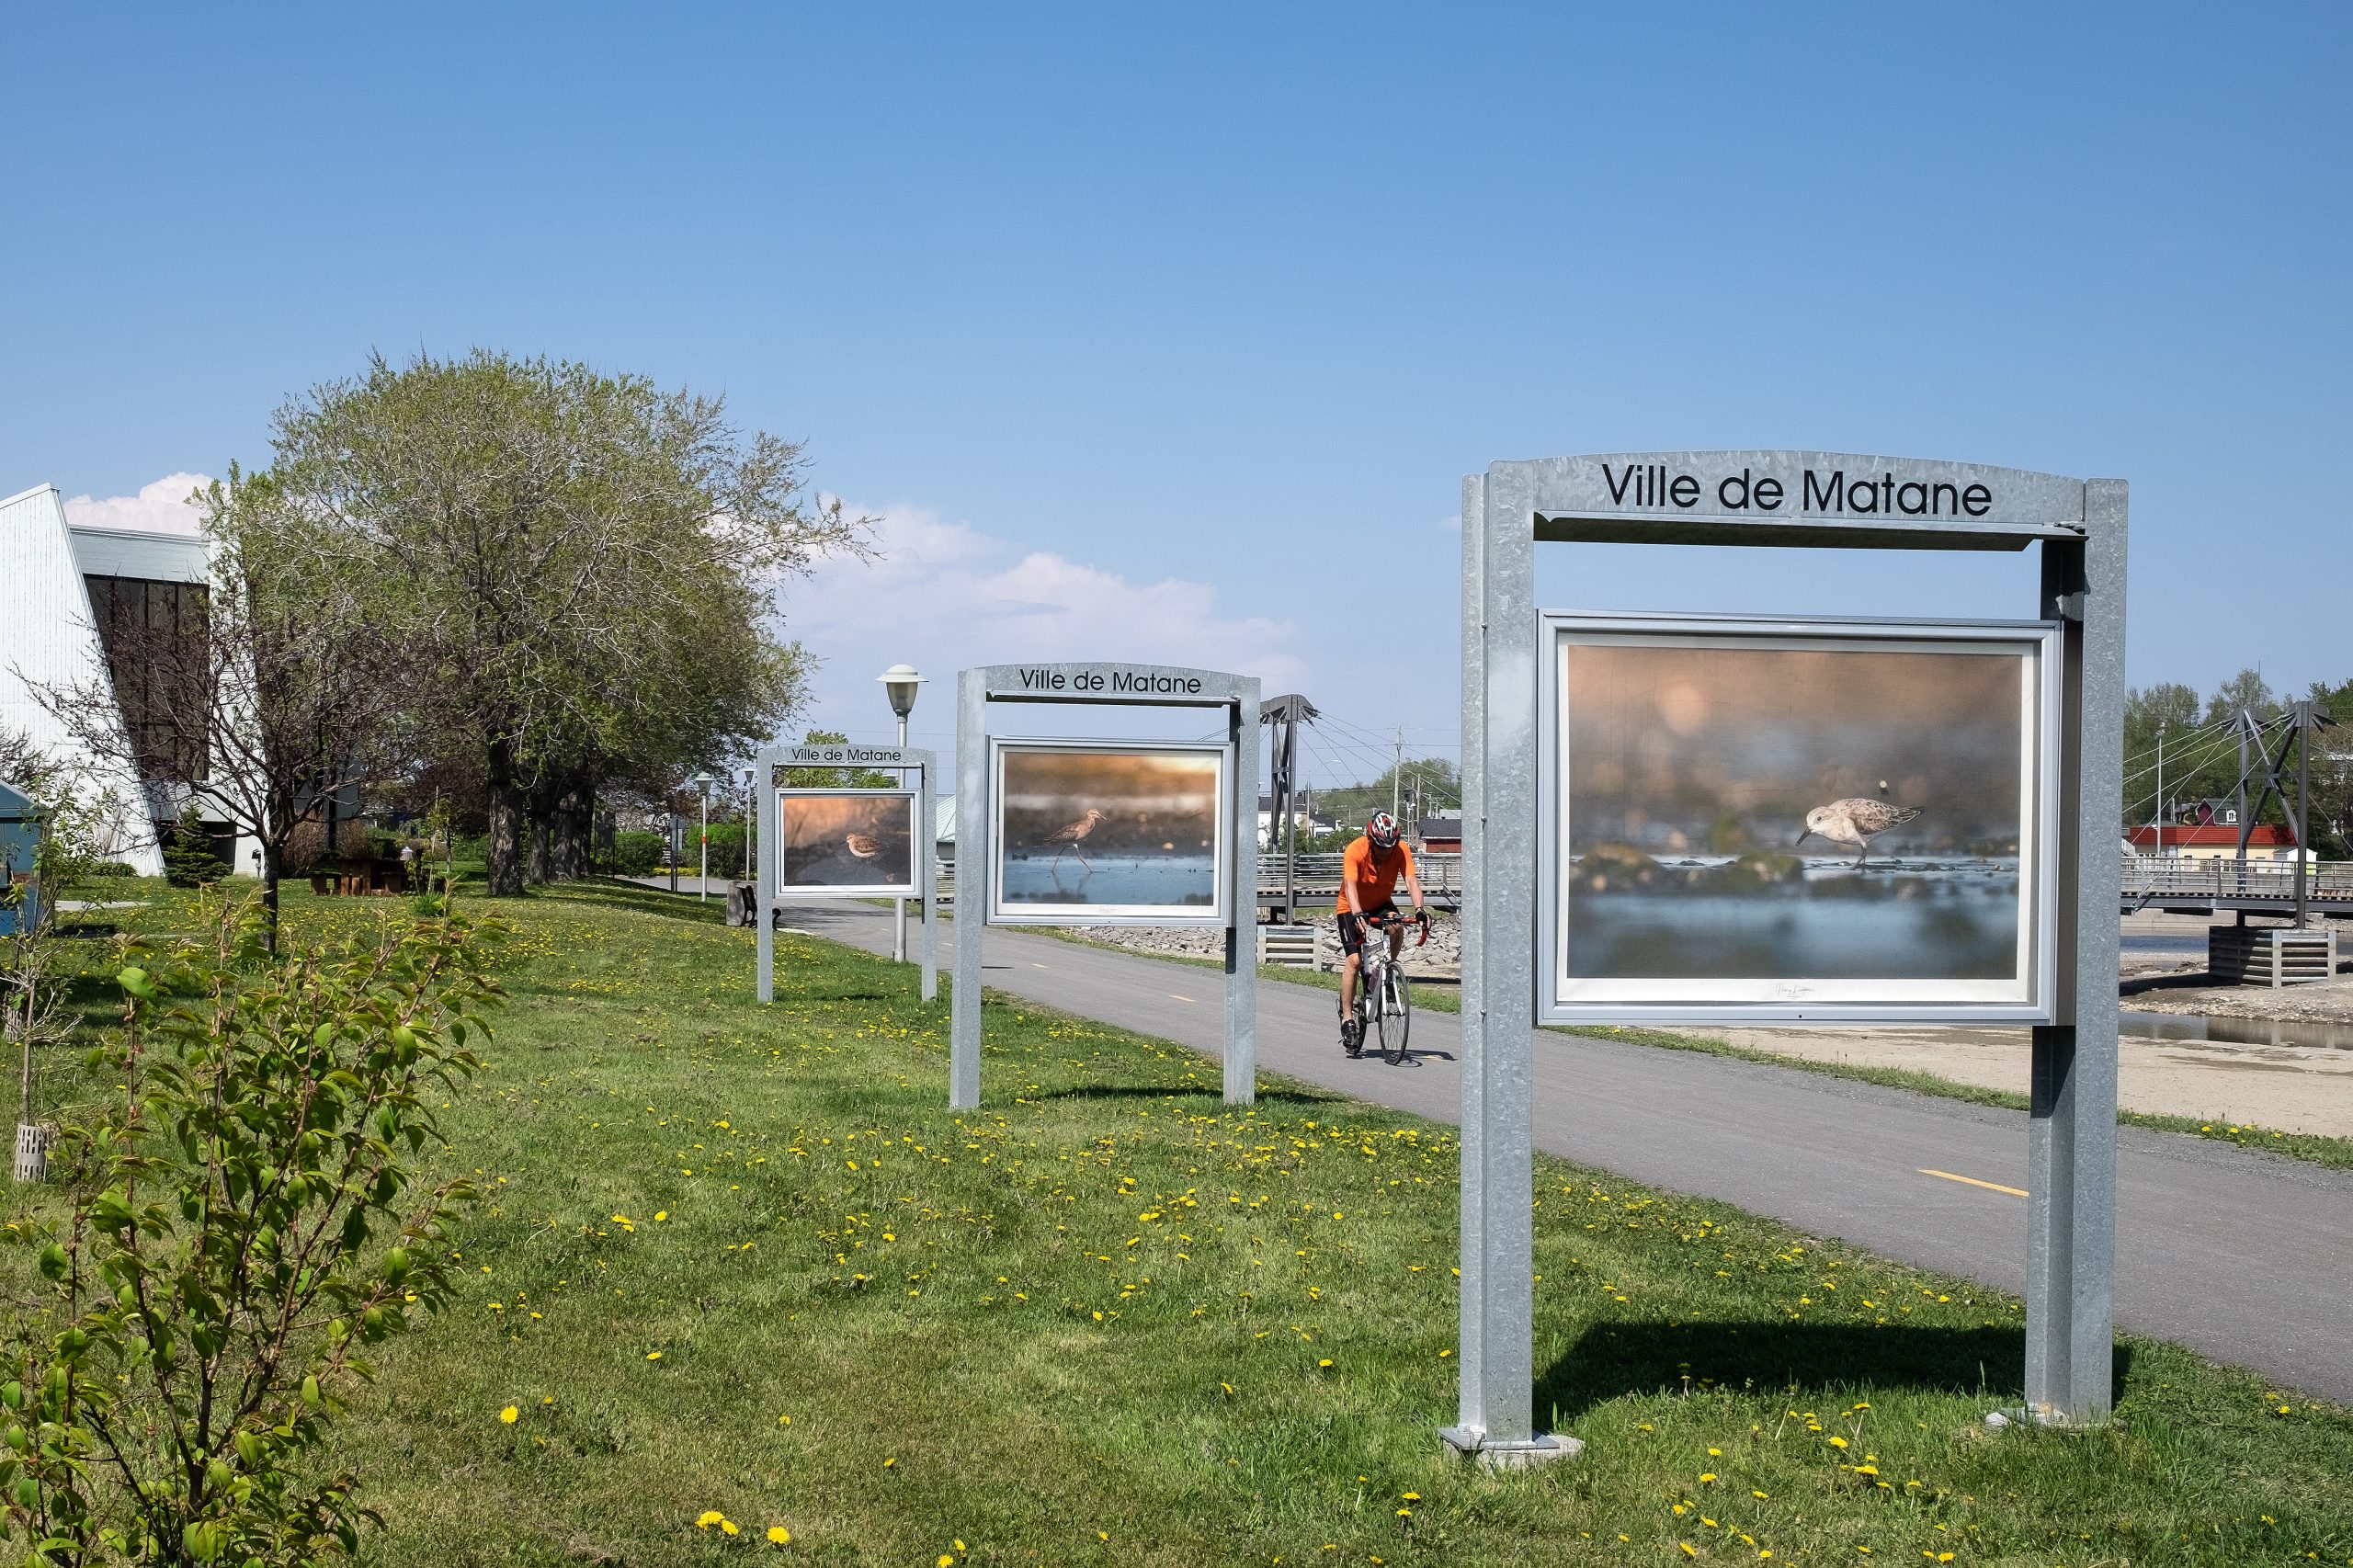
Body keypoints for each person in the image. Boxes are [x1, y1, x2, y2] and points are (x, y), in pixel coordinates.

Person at [1336, 810, 1427, 1057]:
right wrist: (1356, 913)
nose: (1387, 852)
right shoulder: (1355, 850)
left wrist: (1419, 909)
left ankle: (1384, 974)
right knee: (1354, 961)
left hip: (1380, 903)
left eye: (1391, 846)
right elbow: (1351, 886)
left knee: (1397, 926)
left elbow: (1411, 881)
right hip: (1350, 906)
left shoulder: (1401, 849)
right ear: (1371, 840)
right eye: (1382, 847)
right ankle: (1347, 1019)